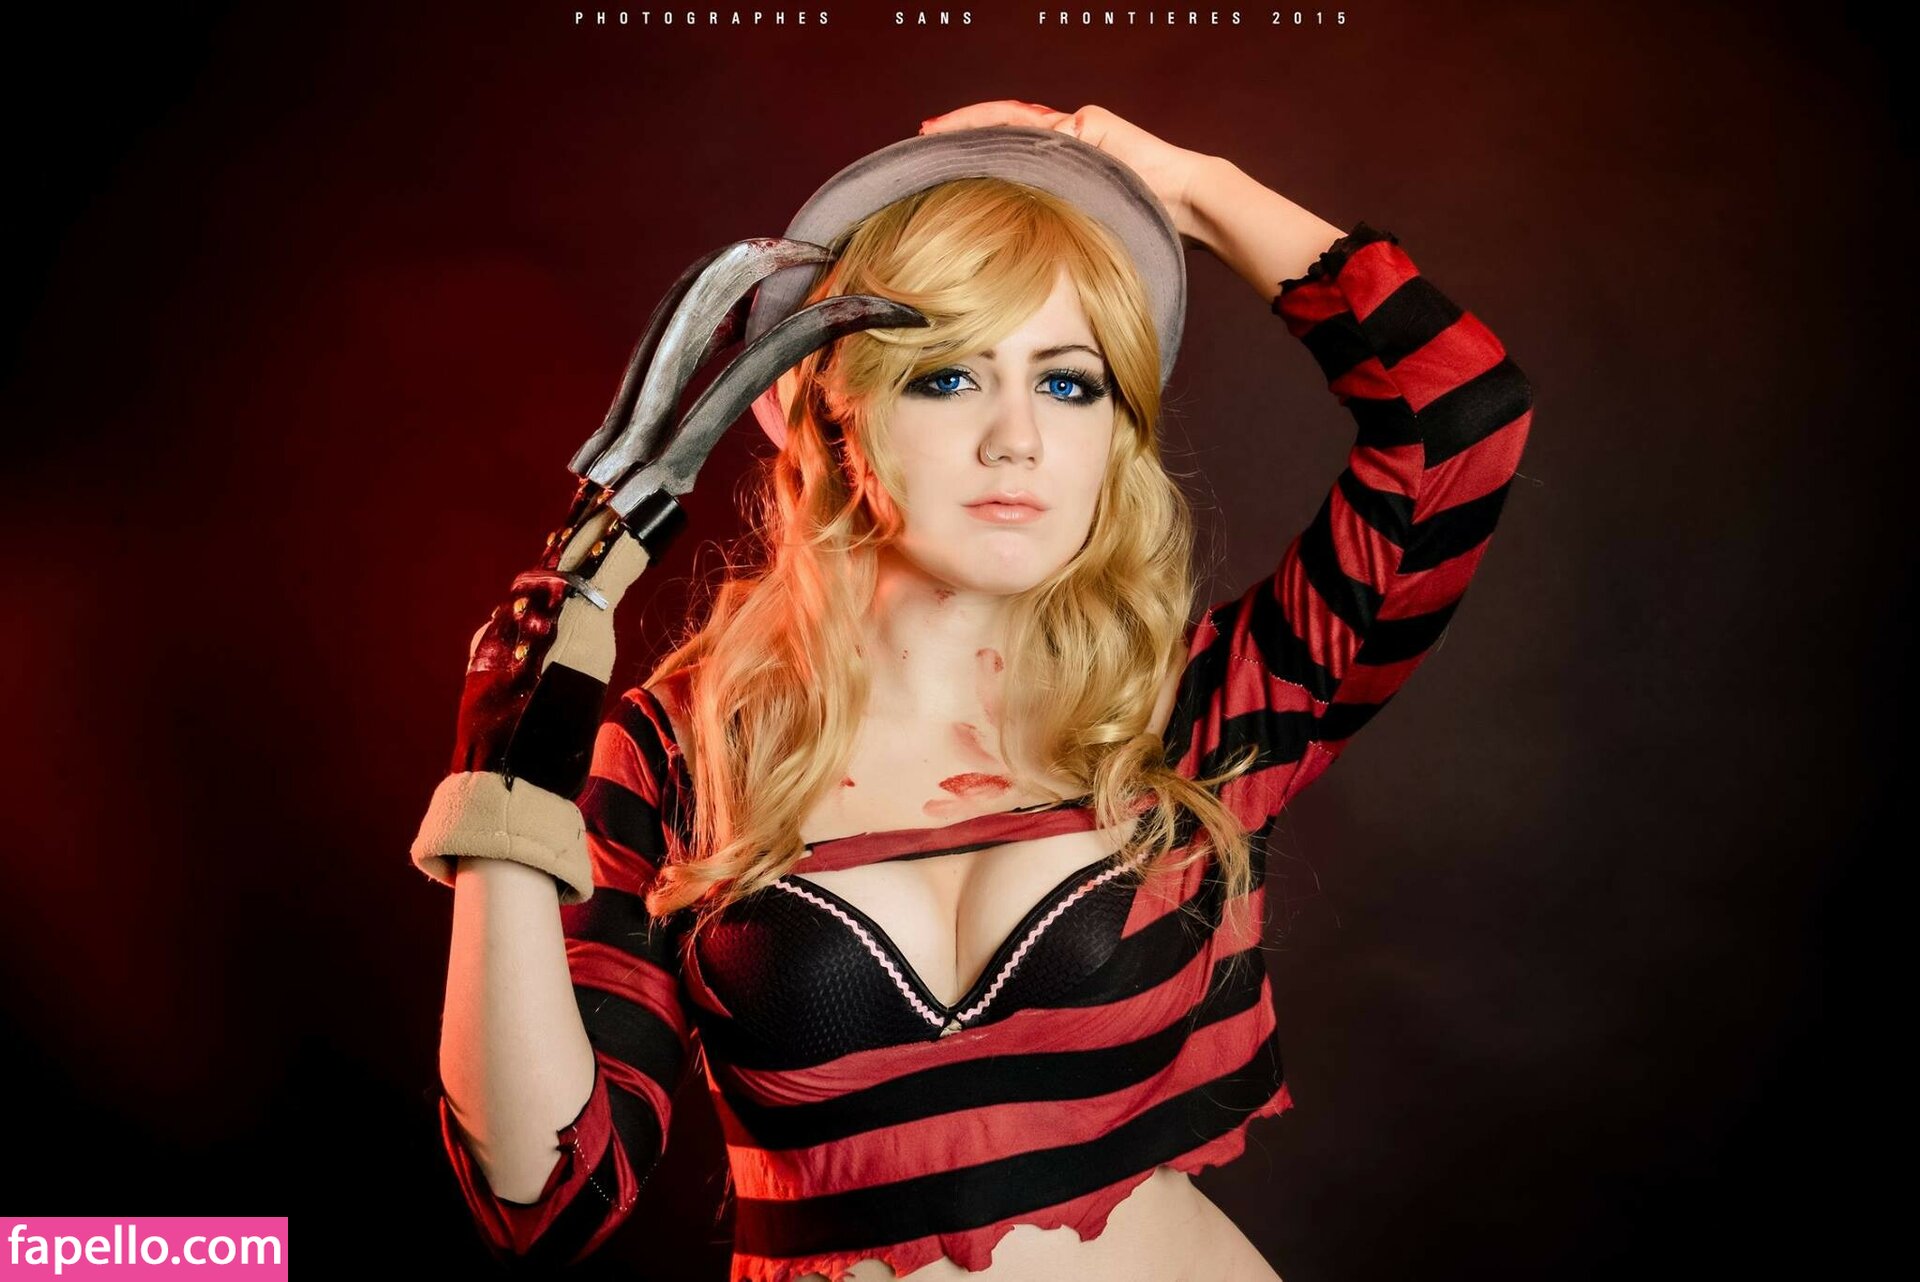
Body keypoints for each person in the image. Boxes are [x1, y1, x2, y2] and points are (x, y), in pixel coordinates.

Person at [411, 101, 1536, 1282]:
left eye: (1070, 385)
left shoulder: (1199, 710)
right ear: (834, 414)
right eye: (946, 377)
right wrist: (501, 800)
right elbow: (541, 1193)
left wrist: (1183, 189)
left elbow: (1459, 423)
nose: (1017, 440)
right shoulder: (676, 759)